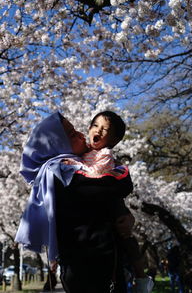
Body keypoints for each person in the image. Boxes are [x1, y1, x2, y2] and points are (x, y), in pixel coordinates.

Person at [15, 111, 134, 293]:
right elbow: (113, 186)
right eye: (72, 134)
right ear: (57, 143)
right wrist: (123, 175)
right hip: (89, 267)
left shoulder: (80, 164)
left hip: (101, 262)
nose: (80, 134)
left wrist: (126, 214)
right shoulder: (59, 171)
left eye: (77, 130)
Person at [61, 111, 154, 293]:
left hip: (112, 206)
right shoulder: (81, 152)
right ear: (89, 129)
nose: (99, 131)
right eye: (96, 126)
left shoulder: (106, 155)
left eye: (105, 130)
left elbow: (100, 177)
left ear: (113, 140)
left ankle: (141, 278)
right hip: (83, 242)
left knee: (125, 234)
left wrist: (73, 167)